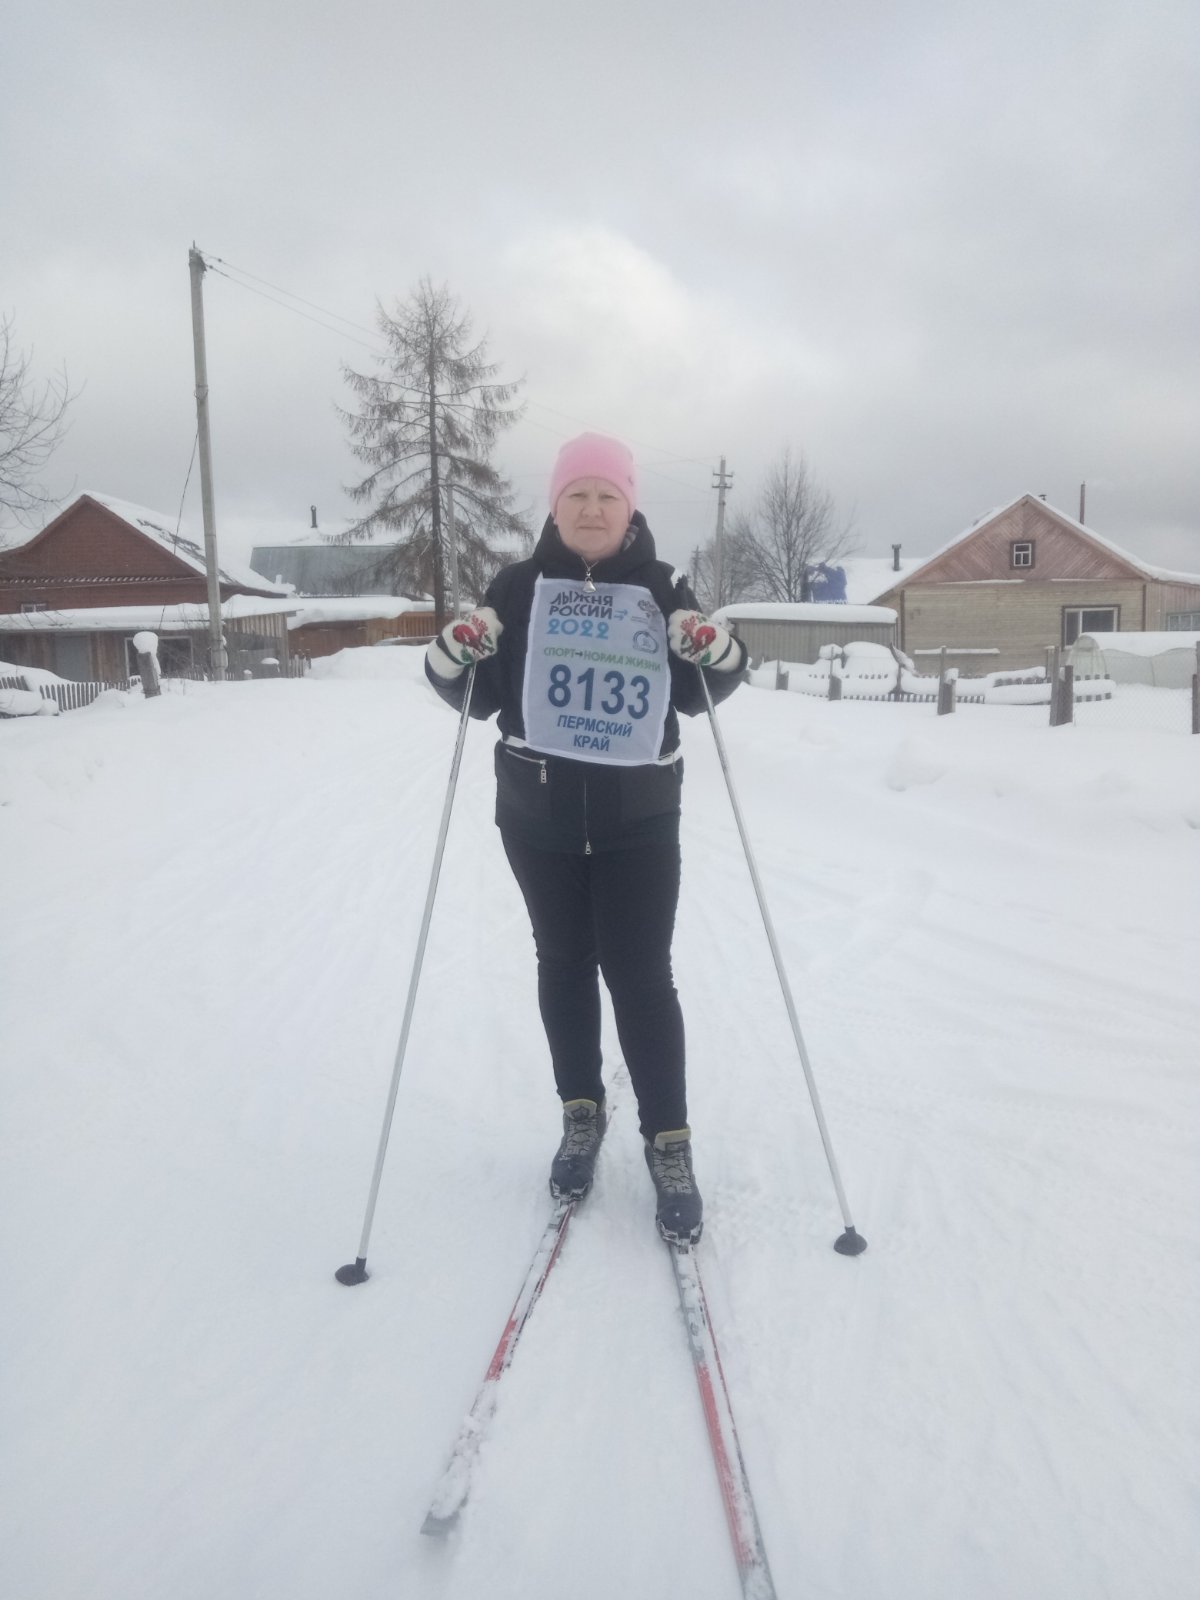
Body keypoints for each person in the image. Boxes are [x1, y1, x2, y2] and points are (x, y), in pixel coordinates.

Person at [425, 433, 746, 1244]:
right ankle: (581, 1111)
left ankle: (668, 1142)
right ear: (556, 505)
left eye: (608, 495)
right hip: (537, 818)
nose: (593, 509)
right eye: (578, 494)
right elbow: (478, 695)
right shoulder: (517, 586)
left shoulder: (662, 586)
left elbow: (703, 689)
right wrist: (452, 657)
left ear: (629, 506)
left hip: (639, 820)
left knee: (641, 976)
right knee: (563, 962)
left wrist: (714, 649)